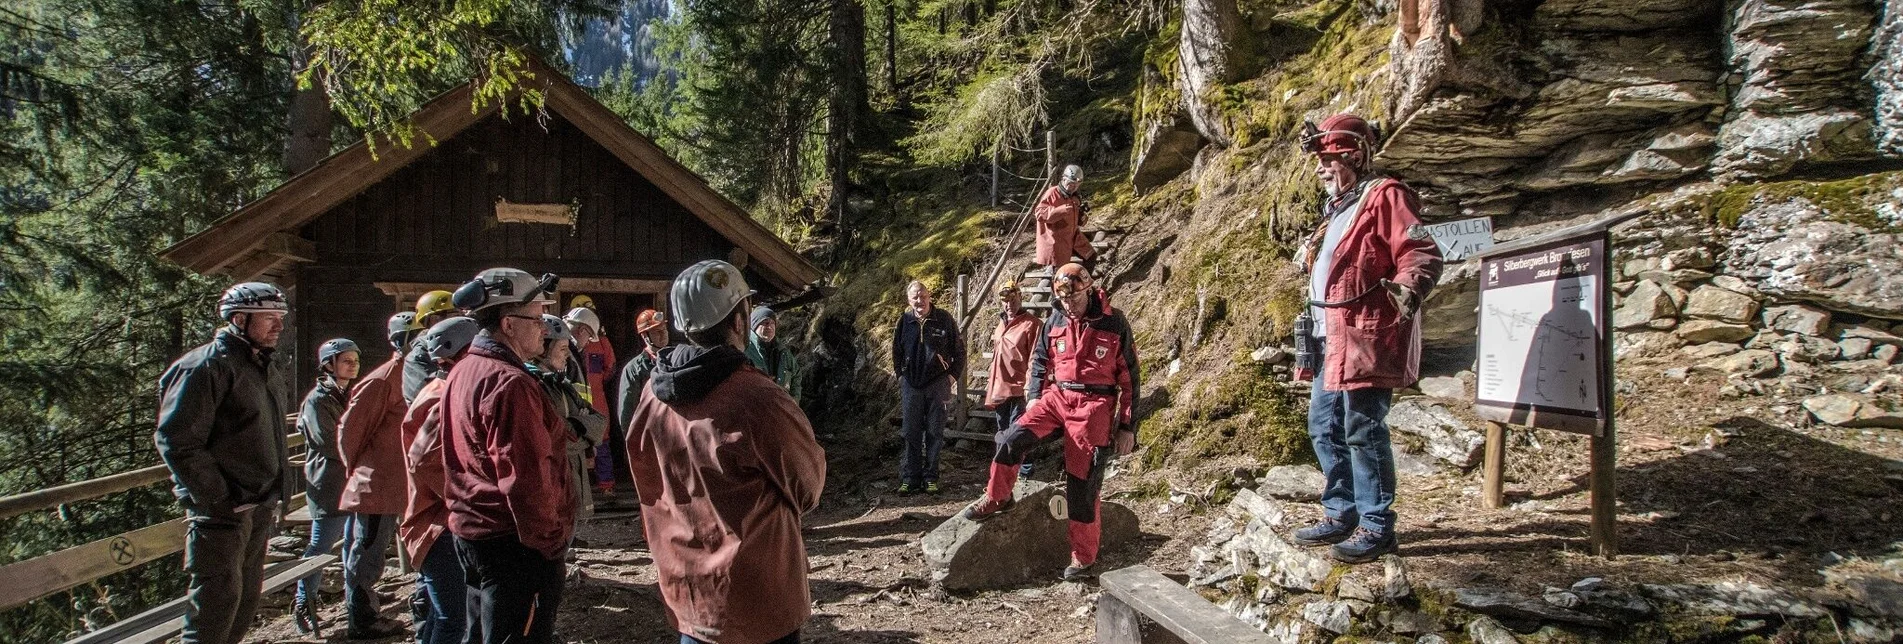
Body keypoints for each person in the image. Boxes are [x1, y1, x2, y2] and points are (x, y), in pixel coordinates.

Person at [625, 260, 826, 644]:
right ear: (739, 321)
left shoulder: (652, 394)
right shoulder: (757, 398)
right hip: (758, 601)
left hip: (689, 595)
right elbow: (808, 485)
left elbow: (646, 480)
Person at [1289, 113, 1444, 564]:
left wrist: (1410, 286)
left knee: (1363, 428)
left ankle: (1377, 525)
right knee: (1323, 426)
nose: (1320, 169)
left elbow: (1419, 249)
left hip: (1363, 334)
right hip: (1329, 336)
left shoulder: (1385, 195)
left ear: (1353, 155)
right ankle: (1341, 510)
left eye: (1328, 159)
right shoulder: (1338, 208)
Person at [961, 264, 1139, 581]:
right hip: (1057, 397)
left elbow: (1130, 380)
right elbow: (1041, 359)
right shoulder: (1055, 317)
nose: (1068, 305)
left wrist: (1126, 426)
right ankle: (998, 496)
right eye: (1063, 299)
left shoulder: (1114, 321)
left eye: (1074, 298)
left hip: (1095, 405)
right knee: (1010, 439)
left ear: (1088, 289)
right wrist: (1034, 396)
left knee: (1082, 484)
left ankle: (1083, 558)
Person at [154, 282, 294, 644]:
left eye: (281, 317)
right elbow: (177, 441)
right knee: (214, 607)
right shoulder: (204, 367)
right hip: (221, 512)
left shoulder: (261, 366)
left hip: (258, 504)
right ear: (238, 319)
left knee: (245, 600)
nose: (279, 325)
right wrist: (221, 495)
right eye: (269, 318)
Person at [441, 267, 571, 643]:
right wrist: (550, 545)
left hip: (474, 536)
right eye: (537, 319)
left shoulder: (464, 370)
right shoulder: (510, 384)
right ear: (509, 324)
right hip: (514, 545)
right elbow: (527, 479)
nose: (544, 329)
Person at [333, 313, 421, 639]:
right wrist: (359, 471)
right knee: (366, 550)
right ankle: (362, 618)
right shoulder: (382, 380)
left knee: (374, 549)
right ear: (400, 341)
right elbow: (350, 432)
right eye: (414, 337)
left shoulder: (411, 375)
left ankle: (364, 601)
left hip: (399, 483)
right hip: (377, 484)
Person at [399, 317, 480, 644]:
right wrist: (470, 498)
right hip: (439, 525)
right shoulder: (441, 396)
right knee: (452, 619)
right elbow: (425, 461)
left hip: (441, 522)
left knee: (442, 615)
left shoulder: (442, 389)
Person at [293, 338, 361, 636]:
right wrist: (362, 446)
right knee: (320, 546)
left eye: (355, 360)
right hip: (329, 483)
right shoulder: (317, 400)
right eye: (346, 360)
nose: (353, 365)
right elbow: (328, 442)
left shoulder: (349, 394)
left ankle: (355, 599)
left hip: (352, 481)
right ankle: (302, 602)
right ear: (329, 365)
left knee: (353, 543)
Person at [531, 313, 609, 522]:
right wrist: (585, 433)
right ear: (545, 350)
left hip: (572, 471)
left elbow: (599, 422)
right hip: (555, 476)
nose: (567, 356)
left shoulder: (560, 383)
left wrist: (578, 429)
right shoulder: (534, 385)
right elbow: (555, 436)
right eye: (563, 350)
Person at [891, 281, 964, 495]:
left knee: (935, 432)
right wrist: (900, 377)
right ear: (909, 300)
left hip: (938, 384)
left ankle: (931, 477)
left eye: (922, 296)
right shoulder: (904, 321)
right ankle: (910, 477)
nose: (919, 300)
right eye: (915, 297)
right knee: (911, 432)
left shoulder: (944, 319)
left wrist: (951, 377)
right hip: (911, 385)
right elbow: (896, 351)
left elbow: (959, 351)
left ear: (929, 296)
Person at [982, 281, 1042, 478]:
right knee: (1002, 433)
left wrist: (1031, 387)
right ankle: (1005, 474)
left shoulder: (1031, 324)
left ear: (1020, 298)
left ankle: (1024, 472)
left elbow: (1036, 358)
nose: (1009, 305)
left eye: (1013, 300)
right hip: (1000, 388)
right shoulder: (1001, 324)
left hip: (1020, 389)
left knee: (1019, 433)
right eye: (1005, 301)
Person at [610, 308, 669, 493]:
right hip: (650, 440)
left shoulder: (676, 361)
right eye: (657, 331)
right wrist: (636, 446)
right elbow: (626, 413)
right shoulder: (634, 369)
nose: (663, 335)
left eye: (664, 330)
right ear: (645, 337)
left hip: (673, 437)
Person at [1033, 164, 1096, 270]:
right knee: (1060, 274)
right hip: (1056, 242)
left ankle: (1082, 285)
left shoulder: (1075, 197)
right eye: (1071, 184)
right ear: (1063, 179)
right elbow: (1039, 213)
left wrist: (1082, 219)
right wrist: (1060, 210)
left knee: (1091, 256)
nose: (1074, 187)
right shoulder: (1052, 193)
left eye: (1077, 185)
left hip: (1074, 238)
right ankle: (1062, 285)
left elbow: (1075, 217)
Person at [565, 296, 618, 417]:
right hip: (574, 412)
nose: (589, 341)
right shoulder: (562, 348)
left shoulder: (602, 342)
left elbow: (610, 369)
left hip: (596, 407)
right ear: (582, 329)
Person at [404, 290, 457, 403]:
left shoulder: (461, 348)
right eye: (440, 318)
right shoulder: (418, 356)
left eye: (455, 316)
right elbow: (424, 400)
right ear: (428, 322)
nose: (449, 323)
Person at [744, 305, 802, 399]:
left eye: (772, 323)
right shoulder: (745, 349)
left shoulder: (783, 351)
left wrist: (794, 401)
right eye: (765, 323)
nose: (770, 327)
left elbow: (797, 374)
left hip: (780, 408)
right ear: (754, 326)